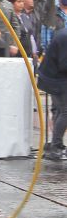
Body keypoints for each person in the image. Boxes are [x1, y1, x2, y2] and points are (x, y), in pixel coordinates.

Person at [37, 28, 67, 161]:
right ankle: (56, 147)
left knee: (61, 111)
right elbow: (64, 64)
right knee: (65, 112)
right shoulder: (65, 37)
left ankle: (56, 146)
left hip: (55, 77)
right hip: (55, 79)